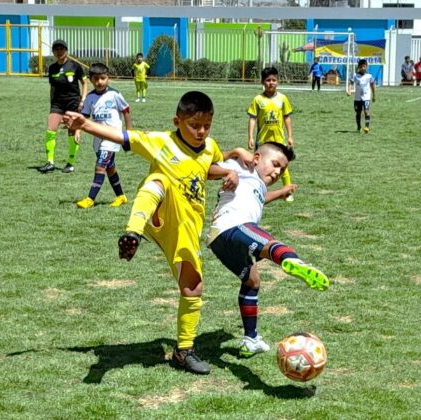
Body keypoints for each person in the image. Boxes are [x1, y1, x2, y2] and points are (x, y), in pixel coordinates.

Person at [64, 91, 251, 375]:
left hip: (186, 228)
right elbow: (123, 136)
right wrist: (84, 124)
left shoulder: (209, 146)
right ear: (177, 121)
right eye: (194, 125)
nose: (201, 131)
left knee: (193, 288)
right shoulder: (162, 141)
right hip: (157, 214)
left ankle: (183, 351)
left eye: (206, 126)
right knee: (158, 179)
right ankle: (132, 233)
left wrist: (229, 171)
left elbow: (205, 166)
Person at [207, 142, 330, 358]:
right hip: (234, 225)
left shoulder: (257, 183)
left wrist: (281, 193)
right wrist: (232, 162)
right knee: (269, 242)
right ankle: (293, 260)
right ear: (256, 157)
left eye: (282, 170)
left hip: (219, 239)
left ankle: (251, 339)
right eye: (275, 164)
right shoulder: (243, 165)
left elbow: (259, 199)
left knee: (252, 281)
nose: (277, 172)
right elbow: (204, 169)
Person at [76, 63, 133, 209]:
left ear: (109, 79)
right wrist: (77, 130)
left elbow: (126, 110)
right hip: (98, 137)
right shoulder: (90, 98)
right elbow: (84, 117)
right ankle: (121, 196)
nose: (99, 82)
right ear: (91, 80)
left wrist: (129, 132)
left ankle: (90, 199)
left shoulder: (114, 94)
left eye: (103, 78)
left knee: (100, 166)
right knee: (110, 167)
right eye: (96, 79)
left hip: (113, 137)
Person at [39, 39, 88, 174]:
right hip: (57, 104)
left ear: (66, 51)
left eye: (61, 49)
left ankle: (70, 163)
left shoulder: (75, 66)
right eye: (56, 49)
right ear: (53, 51)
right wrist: (51, 104)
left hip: (72, 104)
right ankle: (50, 162)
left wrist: (83, 100)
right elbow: (52, 87)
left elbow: (84, 83)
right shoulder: (52, 68)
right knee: (50, 130)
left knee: (72, 133)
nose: (59, 51)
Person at [247, 67, 295, 202]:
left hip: (279, 139)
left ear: (278, 81)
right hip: (263, 140)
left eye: (274, 80)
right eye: (268, 80)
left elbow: (287, 117)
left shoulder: (282, 99)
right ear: (262, 82)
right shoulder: (258, 99)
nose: (271, 83)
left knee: (282, 166)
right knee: (259, 165)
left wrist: (290, 136)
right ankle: (257, 189)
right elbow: (252, 118)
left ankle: (288, 190)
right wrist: (250, 136)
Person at [347, 58, 376, 134]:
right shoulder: (355, 75)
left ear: (366, 67)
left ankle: (367, 127)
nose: (363, 68)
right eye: (362, 66)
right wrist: (349, 90)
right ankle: (359, 127)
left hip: (366, 97)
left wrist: (374, 95)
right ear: (359, 67)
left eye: (365, 66)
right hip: (357, 98)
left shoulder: (369, 76)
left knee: (366, 111)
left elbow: (372, 85)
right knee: (358, 113)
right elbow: (350, 82)